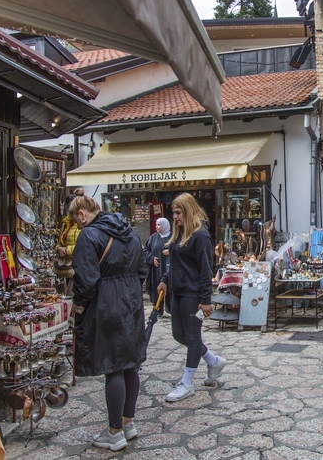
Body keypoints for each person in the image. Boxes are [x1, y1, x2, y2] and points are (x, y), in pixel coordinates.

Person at [69, 192, 148, 451]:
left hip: (107, 303)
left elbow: (86, 280)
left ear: (82, 214)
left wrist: (79, 304)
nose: (77, 225)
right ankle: (127, 423)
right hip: (132, 301)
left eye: (76, 220)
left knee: (114, 365)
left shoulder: (89, 235)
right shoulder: (130, 232)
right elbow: (143, 268)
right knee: (130, 365)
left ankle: (114, 432)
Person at [159, 193, 227, 402]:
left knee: (192, 337)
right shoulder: (179, 234)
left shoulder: (201, 237)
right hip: (178, 292)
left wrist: (206, 300)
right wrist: (165, 280)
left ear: (188, 212)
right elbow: (175, 263)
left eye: (178, 213)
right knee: (179, 335)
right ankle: (213, 360)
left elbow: (206, 270)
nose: (175, 217)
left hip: (193, 294)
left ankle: (187, 383)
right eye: (173, 213)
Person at [55, 190, 82, 294]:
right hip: (65, 265)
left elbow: (84, 245)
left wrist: (67, 250)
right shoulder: (65, 223)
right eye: (69, 206)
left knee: (72, 292)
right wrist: (58, 248)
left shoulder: (81, 224)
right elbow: (59, 243)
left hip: (77, 265)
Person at [143, 217, 170, 316]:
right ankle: (157, 309)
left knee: (170, 288)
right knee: (156, 288)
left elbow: (180, 248)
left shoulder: (173, 236)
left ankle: (171, 309)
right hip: (157, 269)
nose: (157, 227)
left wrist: (170, 251)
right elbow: (145, 250)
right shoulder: (153, 237)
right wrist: (151, 258)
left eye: (159, 225)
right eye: (156, 225)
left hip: (169, 268)